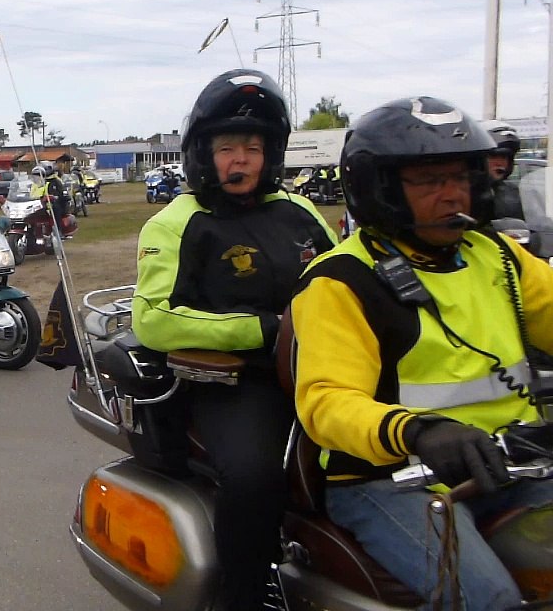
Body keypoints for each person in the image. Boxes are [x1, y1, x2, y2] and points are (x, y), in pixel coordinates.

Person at [291, 97, 553, 610]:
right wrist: (420, 430)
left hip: (513, 463)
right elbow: (326, 402)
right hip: (392, 480)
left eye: (460, 177)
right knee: (490, 601)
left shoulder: (495, 254)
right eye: (429, 181)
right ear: (381, 189)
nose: (452, 193)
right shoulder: (340, 280)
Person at [131, 69, 337, 609]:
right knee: (254, 475)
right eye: (227, 147)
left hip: (322, 366)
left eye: (254, 146)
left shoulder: (302, 211)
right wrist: (263, 330)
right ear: (203, 154)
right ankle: (240, 594)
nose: (241, 159)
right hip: (236, 379)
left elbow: (346, 279)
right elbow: (153, 318)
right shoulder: (177, 223)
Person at [481, 120, 523, 220]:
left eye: (505, 157)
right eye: (494, 156)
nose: (500, 163)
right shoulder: (464, 192)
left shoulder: (515, 192)